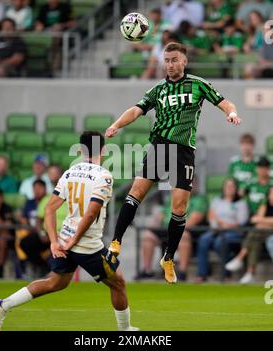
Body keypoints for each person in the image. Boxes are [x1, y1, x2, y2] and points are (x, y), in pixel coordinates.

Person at [105, 41, 242, 284]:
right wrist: (116, 124)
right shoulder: (158, 89)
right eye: (166, 61)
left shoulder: (198, 84)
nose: (170, 65)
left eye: (174, 60)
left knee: (179, 209)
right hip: (159, 146)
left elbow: (224, 102)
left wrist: (230, 112)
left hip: (184, 151)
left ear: (184, 61)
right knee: (136, 193)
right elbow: (137, 110)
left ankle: (168, 257)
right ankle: (116, 242)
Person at [0, 131, 138, 332]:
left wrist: (54, 241)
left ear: (81, 150)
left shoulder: (71, 172)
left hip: (65, 237)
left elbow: (49, 208)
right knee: (118, 283)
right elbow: (91, 212)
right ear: (103, 150)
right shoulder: (104, 176)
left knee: (56, 282)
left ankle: (2, 305)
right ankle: (125, 329)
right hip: (87, 245)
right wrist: (74, 240)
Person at [137, 178, 208, 281]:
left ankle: (182, 272)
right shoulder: (173, 197)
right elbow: (162, 213)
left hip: (185, 230)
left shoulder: (200, 200)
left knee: (183, 236)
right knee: (148, 236)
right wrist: (157, 220)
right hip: (166, 228)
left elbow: (193, 220)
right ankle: (147, 270)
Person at [195, 178, 249, 283]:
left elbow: (241, 222)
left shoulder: (241, 203)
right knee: (203, 240)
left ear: (236, 188)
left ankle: (226, 274)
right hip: (216, 229)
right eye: (227, 186)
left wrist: (225, 224)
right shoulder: (217, 200)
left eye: (231, 186)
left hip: (233, 232)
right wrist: (217, 224)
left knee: (220, 242)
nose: (229, 189)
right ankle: (202, 274)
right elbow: (211, 215)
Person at [226, 185, 273, 284]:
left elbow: (258, 220)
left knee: (257, 230)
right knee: (255, 242)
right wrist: (266, 222)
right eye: (271, 193)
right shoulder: (265, 205)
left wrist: (262, 221)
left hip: (267, 233)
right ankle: (249, 273)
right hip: (263, 234)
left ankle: (240, 258)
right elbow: (256, 219)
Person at [15, 179, 48, 277]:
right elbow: (24, 218)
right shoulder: (29, 203)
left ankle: (42, 268)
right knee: (24, 243)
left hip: (46, 232)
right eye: (35, 188)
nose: (37, 190)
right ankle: (41, 267)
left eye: (39, 188)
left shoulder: (49, 201)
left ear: (45, 189)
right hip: (32, 232)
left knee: (29, 242)